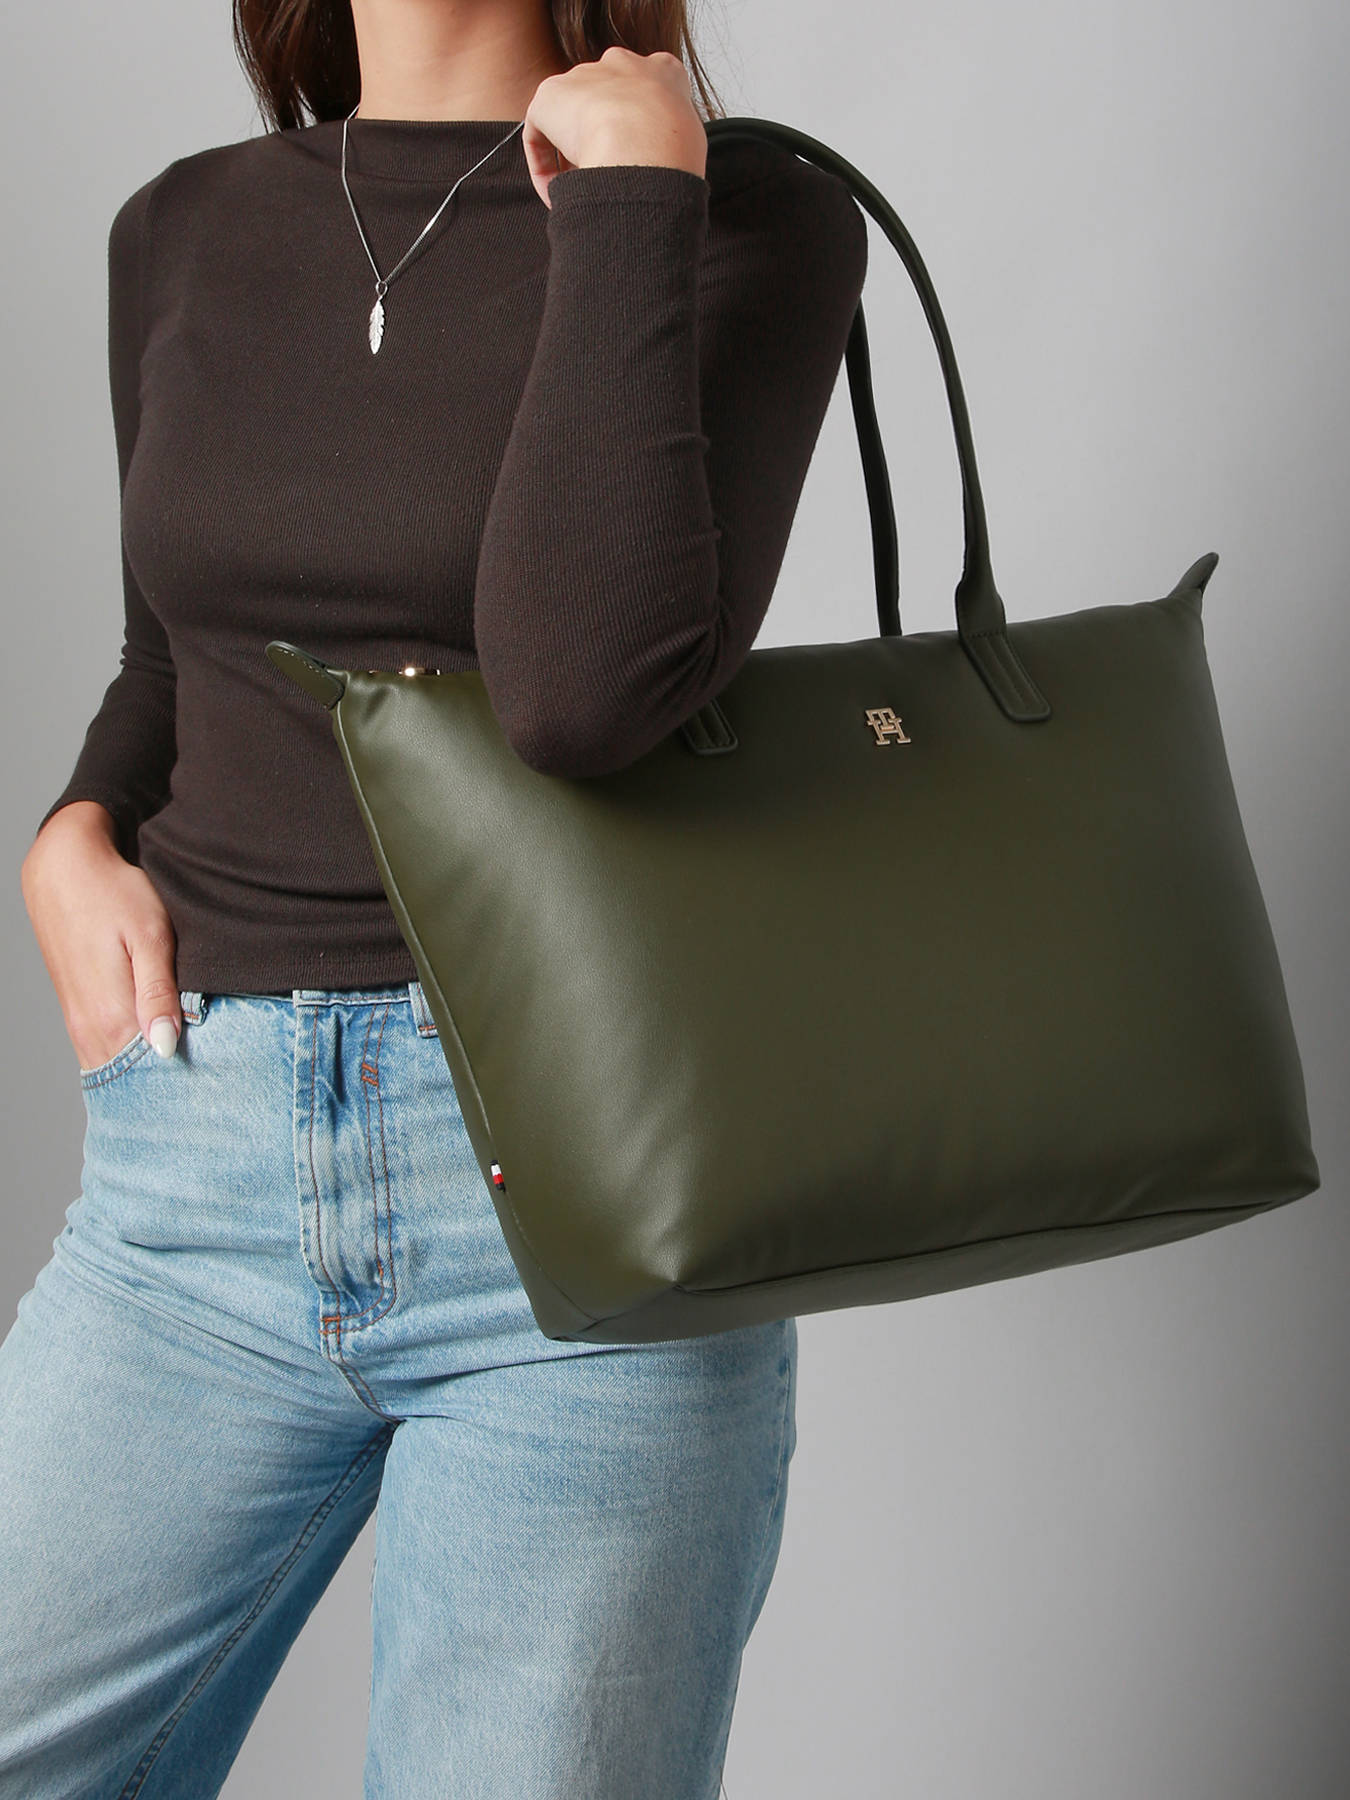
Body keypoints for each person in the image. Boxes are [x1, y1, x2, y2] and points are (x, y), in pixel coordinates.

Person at [4, 0, 868, 1793]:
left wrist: (626, 205)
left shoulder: (739, 212)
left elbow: (581, 693)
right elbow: (175, 655)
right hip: (193, 1181)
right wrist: (72, 828)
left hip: (580, 1213)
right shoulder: (182, 224)